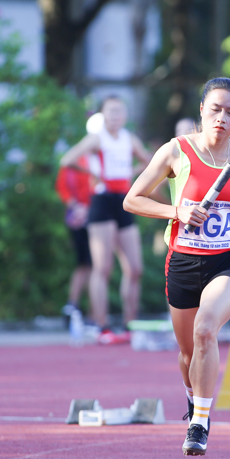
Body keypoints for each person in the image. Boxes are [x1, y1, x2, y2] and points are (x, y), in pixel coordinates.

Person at [123, 77, 230, 456]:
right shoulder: (175, 152)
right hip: (182, 261)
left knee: (206, 330)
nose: (222, 118)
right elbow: (133, 199)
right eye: (216, 109)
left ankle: (199, 423)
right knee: (187, 354)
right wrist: (176, 210)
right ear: (201, 111)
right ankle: (195, 400)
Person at [60, 96, 150, 343]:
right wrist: (93, 173)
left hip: (124, 200)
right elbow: (67, 160)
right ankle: (101, 325)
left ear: (125, 115)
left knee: (135, 268)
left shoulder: (129, 138)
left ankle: (129, 323)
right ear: (102, 115)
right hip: (102, 202)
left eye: (119, 111)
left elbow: (149, 161)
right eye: (110, 112)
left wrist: (129, 174)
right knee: (104, 267)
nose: (115, 116)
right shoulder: (97, 138)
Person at [54, 149, 94, 322]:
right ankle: (80, 307)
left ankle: (79, 306)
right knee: (87, 264)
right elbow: (63, 188)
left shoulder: (90, 161)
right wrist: (78, 208)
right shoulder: (79, 161)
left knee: (89, 265)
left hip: (87, 214)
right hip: (82, 218)